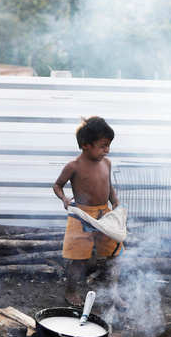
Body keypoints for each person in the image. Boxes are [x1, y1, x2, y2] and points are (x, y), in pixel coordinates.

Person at [53, 116, 123, 307]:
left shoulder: (106, 163)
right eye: (103, 146)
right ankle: (71, 292)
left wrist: (115, 203)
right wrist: (64, 198)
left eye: (108, 145)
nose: (107, 150)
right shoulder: (73, 166)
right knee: (78, 258)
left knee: (114, 254)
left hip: (104, 214)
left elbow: (109, 185)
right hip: (82, 216)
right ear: (85, 145)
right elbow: (57, 185)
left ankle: (113, 293)